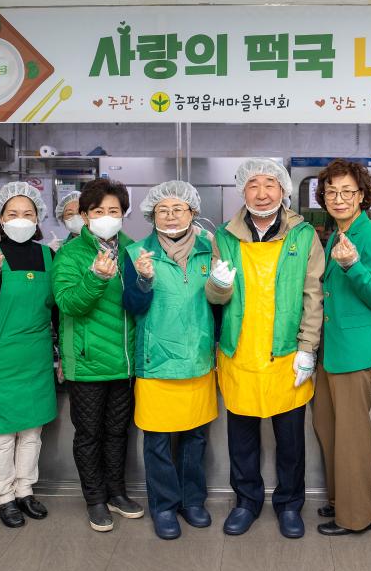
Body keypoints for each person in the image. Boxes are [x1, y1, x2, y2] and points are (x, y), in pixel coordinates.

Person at [205, 158, 324, 539]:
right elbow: (214, 297)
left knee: (290, 440)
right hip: (239, 353)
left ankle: (290, 505)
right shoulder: (224, 236)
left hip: (286, 354)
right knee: (242, 439)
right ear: (242, 190)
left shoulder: (303, 234)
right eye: (253, 184)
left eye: (269, 184)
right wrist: (219, 285)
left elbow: (313, 294)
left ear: (284, 190)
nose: (261, 192)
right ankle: (246, 502)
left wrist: (307, 348)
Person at [122, 181, 218, 540]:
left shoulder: (212, 251)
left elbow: (221, 304)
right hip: (156, 361)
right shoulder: (136, 254)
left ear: (193, 212)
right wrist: (143, 281)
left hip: (198, 358)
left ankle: (192, 501)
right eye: (163, 209)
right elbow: (132, 306)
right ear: (151, 215)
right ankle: (163, 506)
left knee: (195, 438)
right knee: (158, 441)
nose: (171, 214)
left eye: (179, 208)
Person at [53, 178, 143, 532]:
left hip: (123, 361)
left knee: (118, 432)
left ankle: (117, 493)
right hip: (87, 361)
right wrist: (93, 277)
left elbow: (138, 304)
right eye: (99, 211)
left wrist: (147, 280)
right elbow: (67, 303)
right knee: (89, 434)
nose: (107, 216)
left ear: (123, 214)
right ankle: (94, 499)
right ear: (86, 216)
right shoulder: (71, 254)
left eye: (114, 211)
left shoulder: (132, 249)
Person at [311, 159, 371, 537]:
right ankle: (339, 500)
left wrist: (352, 266)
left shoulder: (370, 234)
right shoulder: (335, 233)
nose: (339, 198)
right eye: (331, 192)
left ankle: (356, 515)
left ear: (362, 195)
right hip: (333, 351)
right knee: (328, 429)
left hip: (356, 352)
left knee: (352, 438)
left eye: (347, 191)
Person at [0, 182, 57, 529]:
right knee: (3, 436)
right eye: (12, 214)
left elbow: (55, 310)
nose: (21, 219)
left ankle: (25, 490)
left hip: (34, 354)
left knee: (32, 433)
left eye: (28, 214)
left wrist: (60, 354)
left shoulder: (48, 256)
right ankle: (3, 496)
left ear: (38, 218)